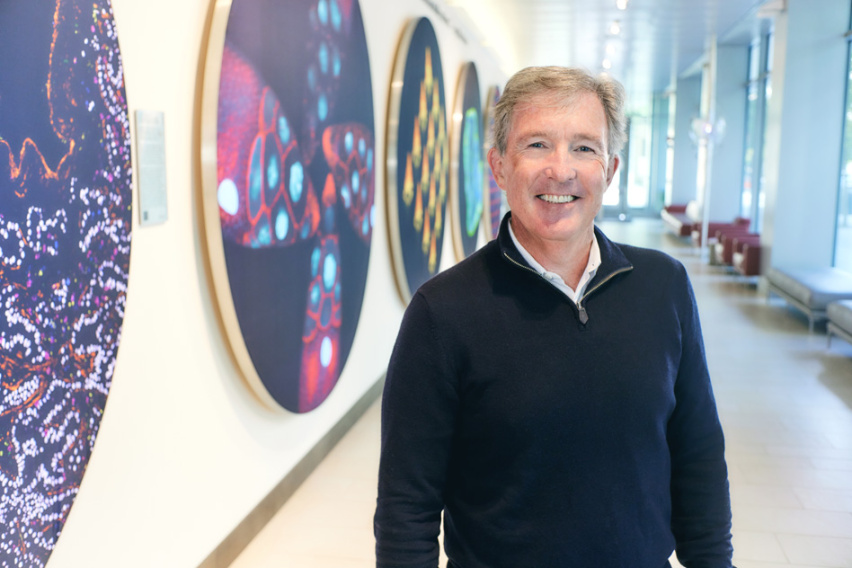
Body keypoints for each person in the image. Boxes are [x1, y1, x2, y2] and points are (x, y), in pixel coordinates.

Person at [374, 66, 733, 568]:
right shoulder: (442, 312)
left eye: (584, 148)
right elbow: (405, 506)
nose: (561, 170)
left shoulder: (664, 287)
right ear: (499, 166)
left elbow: (698, 459)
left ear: (610, 169)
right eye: (537, 144)